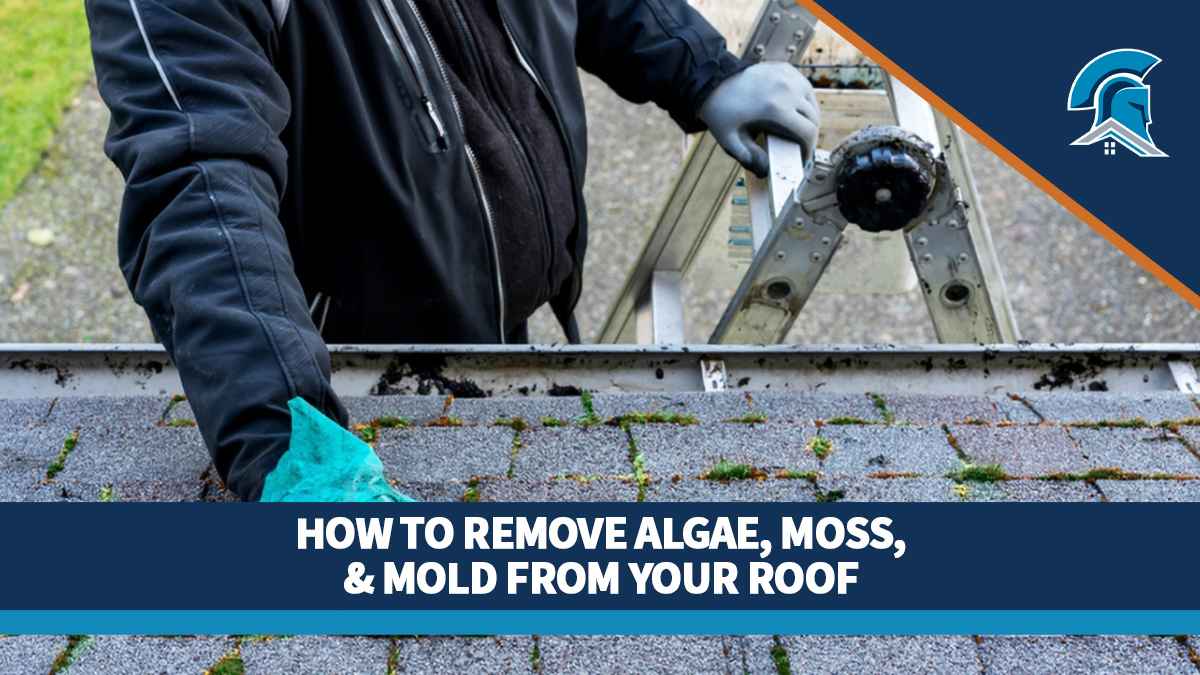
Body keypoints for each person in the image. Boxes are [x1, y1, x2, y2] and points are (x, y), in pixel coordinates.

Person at [86, 0, 821, 501]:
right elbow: (198, 180)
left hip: (503, 324)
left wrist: (698, 68)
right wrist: (290, 446)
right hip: (351, 387)